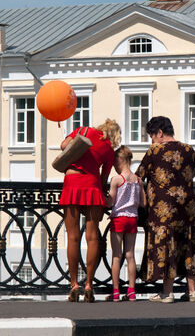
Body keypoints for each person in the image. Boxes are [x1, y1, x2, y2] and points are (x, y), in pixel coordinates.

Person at [137, 116, 195, 303]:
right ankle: (193, 292)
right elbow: (192, 173)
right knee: (188, 245)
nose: (152, 141)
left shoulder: (155, 150)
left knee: (167, 246)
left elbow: (139, 175)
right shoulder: (189, 149)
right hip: (186, 206)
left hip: (163, 208)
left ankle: (168, 292)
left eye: (152, 136)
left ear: (160, 133)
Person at [59, 118, 121, 303]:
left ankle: (74, 285)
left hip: (72, 183)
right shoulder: (109, 150)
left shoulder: (84, 131)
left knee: (73, 236)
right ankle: (88, 284)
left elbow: (64, 146)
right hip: (93, 187)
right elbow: (104, 177)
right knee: (92, 237)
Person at [106, 146, 146, 302]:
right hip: (132, 219)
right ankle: (131, 291)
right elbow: (143, 202)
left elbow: (111, 202)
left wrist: (105, 200)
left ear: (119, 160)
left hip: (118, 219)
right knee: (130, 255)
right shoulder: (138, 180)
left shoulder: (116, 179)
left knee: (117, 255)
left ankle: (115, 291)